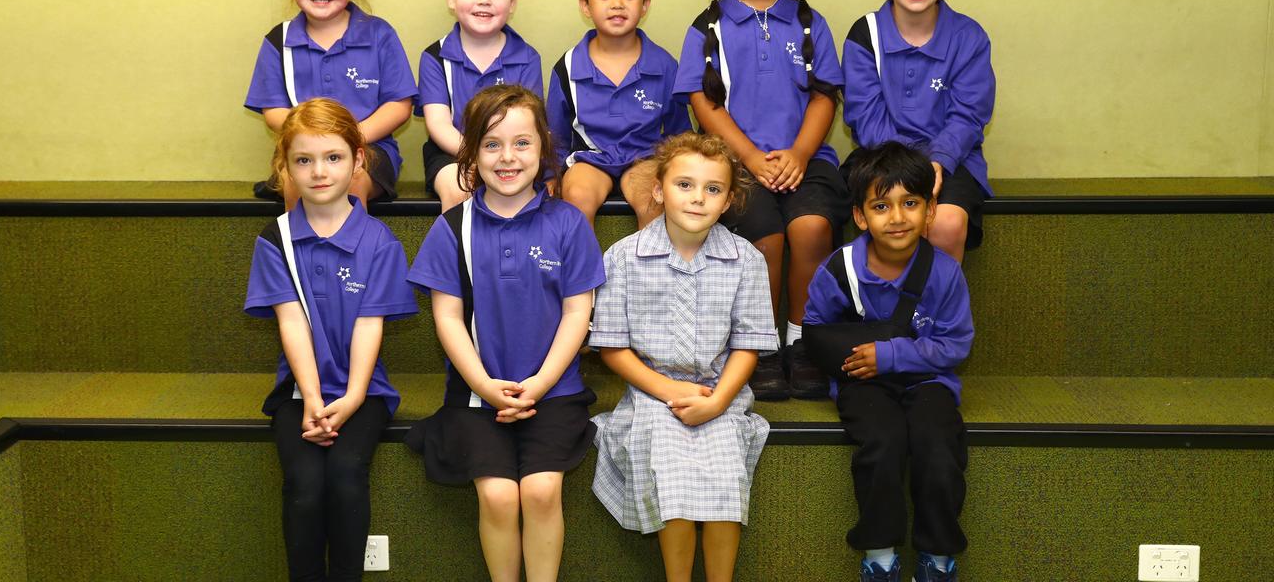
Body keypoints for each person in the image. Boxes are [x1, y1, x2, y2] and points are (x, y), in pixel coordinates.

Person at [405, 85, 604, 582]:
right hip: (476, 394)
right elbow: (447, 318)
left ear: (543, 150)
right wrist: (482, 386)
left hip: (554, 391)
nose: (508, 157)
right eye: (492, 145)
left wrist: (538, 384)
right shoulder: (454, 227)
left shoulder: (568, 223)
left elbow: (578, 313)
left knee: (539, 491)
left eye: (522, 143)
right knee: (497, 494)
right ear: (470, 153)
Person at [673, 0, 846, 401]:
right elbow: (704, 104)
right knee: (764, 239)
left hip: (804, 159)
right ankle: (762, 346)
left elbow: (823, 97)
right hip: (734, 165)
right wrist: (748, 157)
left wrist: (797, 154)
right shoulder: (708, 27)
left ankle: (802, 340)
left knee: (812, 227)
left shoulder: (810, 22)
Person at [590, 132, 778, 582]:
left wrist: (717, 401)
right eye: (684, 185)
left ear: (729, 200)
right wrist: (668, 390)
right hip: (653, 395)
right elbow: (613, 347)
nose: (698, 199)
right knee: (671, 475)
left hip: (721, 392)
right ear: (658, 190)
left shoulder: (746, 260)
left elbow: (747, 345)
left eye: (712, 189)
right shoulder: (623, 258)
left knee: (723, 476)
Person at [244, 98, 418, 582]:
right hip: (300, 393)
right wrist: (314, 400)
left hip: (365, 393)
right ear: (285, 167)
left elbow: (369, 324)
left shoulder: (380, 241)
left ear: (359, 160)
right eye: (304, 160)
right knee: (303, 485)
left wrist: (354, 396)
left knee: (344, 479)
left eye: (334, 157)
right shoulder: (275, 238)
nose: (319, 171)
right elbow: (291, 322)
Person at [803, 142, 973, 582]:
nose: (897, 218)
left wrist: (891, 354)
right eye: (881, 206)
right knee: (882, 445)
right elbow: (817, 331)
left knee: (938, 447)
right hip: (864, 386)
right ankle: (879, 558)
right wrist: (855, 360)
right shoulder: (840, 269)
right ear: (860, 216)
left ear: (931, 210)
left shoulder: (945, 272)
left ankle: (937, 558)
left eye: (910, 203)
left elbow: (955, 345)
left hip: (927, 382)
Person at [840, 0, 995, 263]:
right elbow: (866, 120)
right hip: (882, 157)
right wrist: (915, 170)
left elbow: (968, 117)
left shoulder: (969, 38)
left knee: (945, 222)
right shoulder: (866, 35)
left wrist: (938, 162)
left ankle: (935, 316)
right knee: (884, 213)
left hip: (952, 161)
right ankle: (880, 315)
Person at [245, 0, 416, 208]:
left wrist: (347, 141)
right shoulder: (279, 41)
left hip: (368, 149)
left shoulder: (379, 35)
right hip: (304, 152)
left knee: (350, 179)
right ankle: (299, 252)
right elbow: (273, 111)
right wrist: (315, 142)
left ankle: (352, 253)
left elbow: (399, 105)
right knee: (294, 180)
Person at [546, 0, 691, 228]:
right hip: (590, 160)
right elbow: (555, 135)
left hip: (645, 159)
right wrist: (550, 175)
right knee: (576, 194)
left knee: (656, 197)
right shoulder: (567, 67)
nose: (617, 3)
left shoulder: (664, 66)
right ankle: (585, 273)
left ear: (645, 4)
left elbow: (679, 134)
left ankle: (646, 272)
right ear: (585, 6)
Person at [418, 0, 543, 210]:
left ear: (512, 3)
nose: (483, 0)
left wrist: (500, 155)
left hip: (513, 154)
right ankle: (459, 252)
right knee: (459, 185)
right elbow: (438, 125)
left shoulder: (528, 57)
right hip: (452, 154)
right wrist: (480, 156)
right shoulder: (435, 57)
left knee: (524, 189)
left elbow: (532, 124)